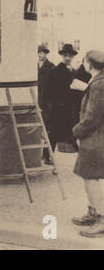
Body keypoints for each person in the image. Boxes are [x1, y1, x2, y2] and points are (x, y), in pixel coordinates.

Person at [71, 50, 104, 238]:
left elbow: (92, 117)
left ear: (90, 64)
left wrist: (77, 130)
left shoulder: (99, 84)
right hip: (96, 138)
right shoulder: (98, 81)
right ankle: (93, 213)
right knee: (88, 176)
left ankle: (101, 219)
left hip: (95, 139)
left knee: (90, 177)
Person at [45, 43, 79, 154]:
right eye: (65, 55)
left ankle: (76, 153)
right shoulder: (55, 71)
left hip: (70, 108)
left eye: (70, 56)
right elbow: (48, 90)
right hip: (58, 108)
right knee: (53, 132)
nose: (67, 58)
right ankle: (47, 155)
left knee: (71, 130)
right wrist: (52, 105)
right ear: (62, 56)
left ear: (73, 57)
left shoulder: (74, 71)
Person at [37, 44, 55, 165]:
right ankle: (39, 155)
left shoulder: (51, 67)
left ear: (46, 53)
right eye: (39, 52)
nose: (40, 55)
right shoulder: (33, 67)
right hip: (37, 101)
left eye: (42, 52)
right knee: (38, 129)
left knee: (48, 129)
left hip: (47, 103)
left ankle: (47, 155)